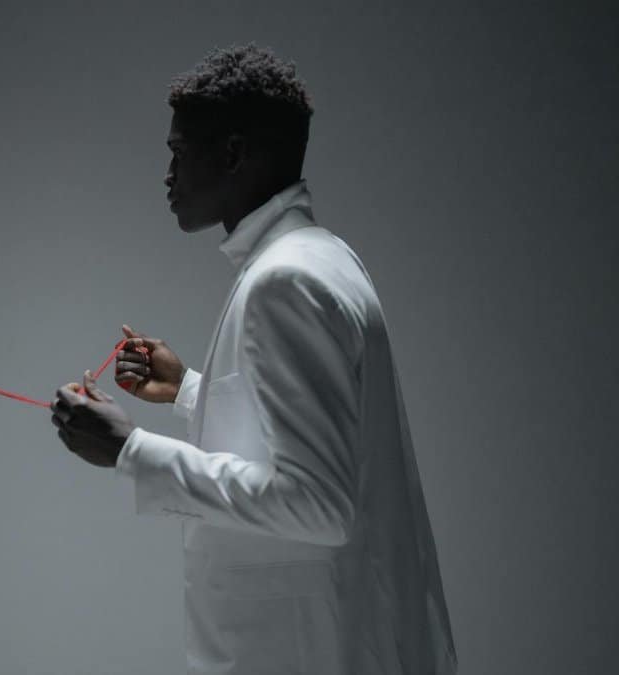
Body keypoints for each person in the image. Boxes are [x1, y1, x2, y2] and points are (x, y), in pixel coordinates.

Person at [51, 44, 457, 674]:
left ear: (234, 154)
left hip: (311, 653)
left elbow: (319, 505)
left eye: (179, 153)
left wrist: (130, 450)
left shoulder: (284, 280)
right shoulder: (320, 257)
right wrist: (188, 389)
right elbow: (312, 434)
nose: (167, 174)